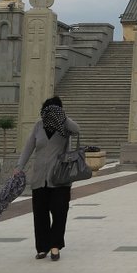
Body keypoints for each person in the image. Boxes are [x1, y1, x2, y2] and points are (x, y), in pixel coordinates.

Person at [14, 96, 80, 261]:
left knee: (59, 212)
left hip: (59, 179)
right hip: (39, 178)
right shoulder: (38, 126)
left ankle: (55, 245)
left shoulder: (64, 126)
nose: (51, 113)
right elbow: (28, 148)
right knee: (40, 213)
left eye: (55, 109)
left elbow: (77, 129)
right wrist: (19, 167)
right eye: (48, 110)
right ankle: (42, 247)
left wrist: (62, 117)